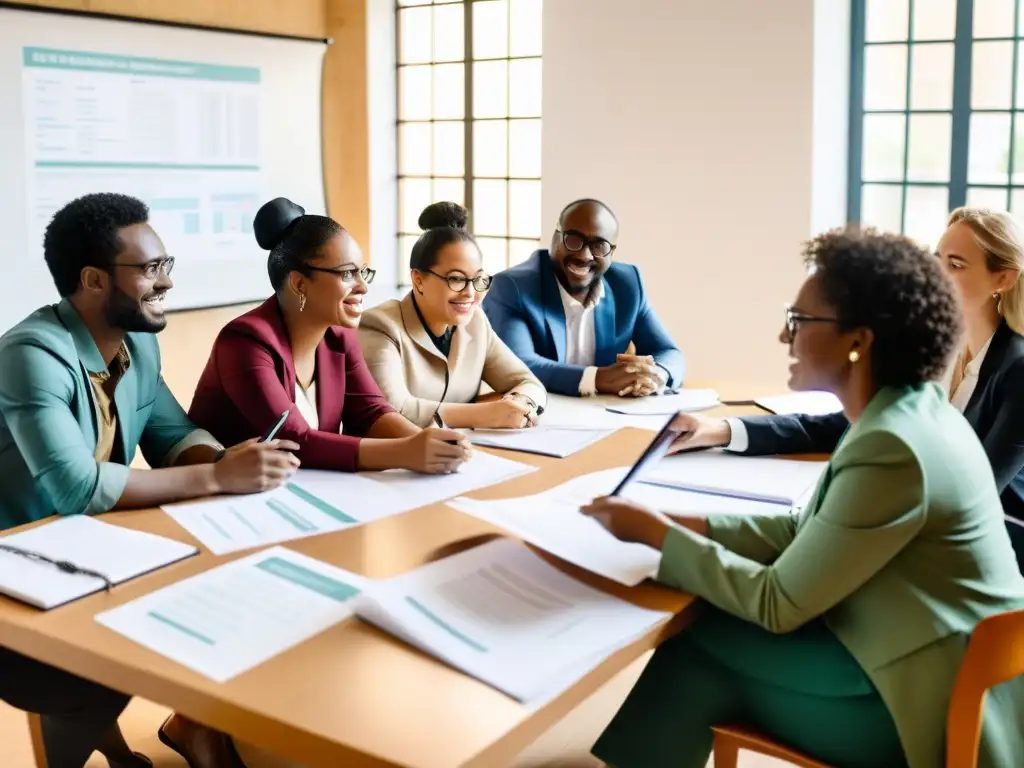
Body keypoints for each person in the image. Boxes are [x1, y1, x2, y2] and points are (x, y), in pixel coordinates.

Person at [582, 228, 1024, 768]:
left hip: (923, 709)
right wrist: (692, 524)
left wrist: (659, 538)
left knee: (697, 647)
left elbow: (778, 605)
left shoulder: (892, 443)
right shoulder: (907, 411)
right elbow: (807, 533)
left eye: (798, 321)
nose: (782, 337)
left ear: (858, 340)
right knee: (707, 638)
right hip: (927, 659)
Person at [0, 193, 298, 767]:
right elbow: (75, 487)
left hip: (86, 552)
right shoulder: (31, 354)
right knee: (99, 674)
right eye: (150, 269)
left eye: (167, 265)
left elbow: (171, 435)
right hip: (18, 572)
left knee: (225, 597)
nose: (165, 283)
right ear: (92, 280)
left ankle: (152, 740)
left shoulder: (138, 342)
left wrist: (223, 459)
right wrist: (218, 481)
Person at [671, 207, 1024, 572]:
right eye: (936, 259)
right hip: (919, 529)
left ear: (1003, 278)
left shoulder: (1018, 369)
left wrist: (852, 505)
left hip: (995, 545)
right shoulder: (940, 347)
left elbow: (975, 492)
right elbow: (851, 421)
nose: (937, 274)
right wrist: (721, 430)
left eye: (956, 264)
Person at [188, 197, 471, 473]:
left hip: (306, 493)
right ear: (299, 284)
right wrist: (406, 452)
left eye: (363, 273)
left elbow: (370, 411)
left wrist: (424, 441)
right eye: (348, 273)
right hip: (225, 504)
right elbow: (292, 441)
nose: (362, 287)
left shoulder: (339, 335)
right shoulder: (244, 342)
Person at [358, 202, 547, 429]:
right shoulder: (380, 326)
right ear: (418, 280)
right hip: (391, 461)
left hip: (470, 452)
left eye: (478, 279)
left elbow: (527, 382)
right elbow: (393, 409)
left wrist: (520, 404)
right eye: (456, 279)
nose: (470, 293)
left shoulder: (475, 322)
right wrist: (486, 414)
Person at [481, 198, 684, 397]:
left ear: (612, 252)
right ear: (555, 238)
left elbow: (668, 352)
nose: (584, 255)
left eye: (599, 246)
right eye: (573, 239)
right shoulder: (511, 287)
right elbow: (519, 365)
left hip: (605, 414)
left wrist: (655, 375)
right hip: (537, 415)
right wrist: (599, 379)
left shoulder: (628, 284)